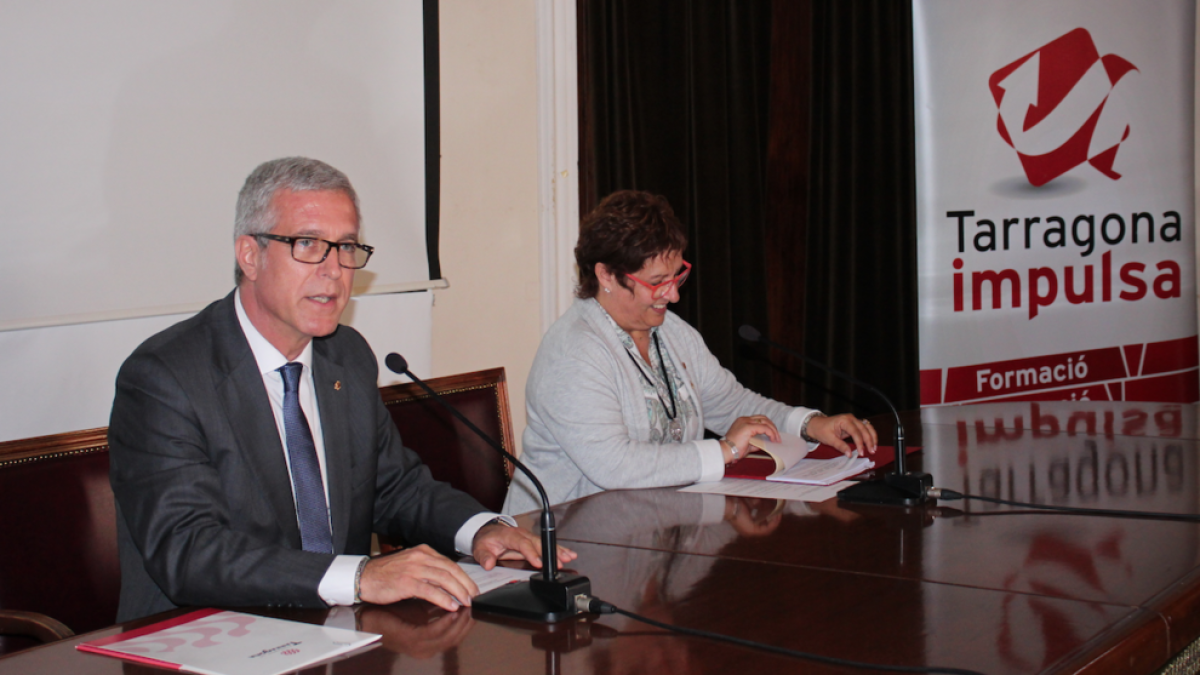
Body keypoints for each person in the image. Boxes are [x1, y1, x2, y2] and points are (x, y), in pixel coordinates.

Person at [109, 157, 573, 622]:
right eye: (308, 244)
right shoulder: (165, 377)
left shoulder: (345, 355)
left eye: (346, 247)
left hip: (334, 633)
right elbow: (189, 552)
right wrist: (359, 577)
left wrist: (480, 529)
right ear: (250, 255)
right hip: (207, 635)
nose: (334, 270)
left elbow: (394, 487)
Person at [503, 190, 877, 514]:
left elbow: (730, 403)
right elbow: (615, 466)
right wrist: (726, 450)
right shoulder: (574, 353)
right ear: (606, 275)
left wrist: (810, 424)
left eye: (677, 276)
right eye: (656, 283)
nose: (674, 295)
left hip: (653, 529)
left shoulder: (671, 332)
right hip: (560, 544)